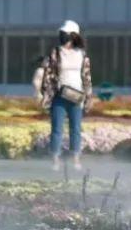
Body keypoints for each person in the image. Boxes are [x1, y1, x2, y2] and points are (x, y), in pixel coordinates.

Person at [39, 21, 93, 172]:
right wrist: (46, 94)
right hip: (59, 95)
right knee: (57, 129)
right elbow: (48, 74)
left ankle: (76, 159)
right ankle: (55, 159)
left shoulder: (82, 54)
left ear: (73, 35)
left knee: (75, 128)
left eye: (65, 34)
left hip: (77, 96)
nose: (62, 37)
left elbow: (87, 77)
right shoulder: (56, 52)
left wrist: (89, 97)